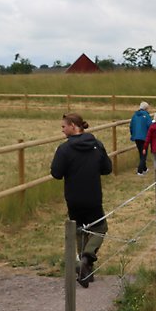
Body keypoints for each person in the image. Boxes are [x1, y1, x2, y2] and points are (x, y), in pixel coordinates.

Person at [50, 112, 113, 288]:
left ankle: (83, 265)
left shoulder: (64, 149)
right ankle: (87, 259)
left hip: (73, 197)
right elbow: (107, 168)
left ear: (73, 126)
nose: (62, 130)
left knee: (79, 230)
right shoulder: (96, 145)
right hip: (93, 195)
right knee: (99, 228)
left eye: (63, 126)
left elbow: (56, 173)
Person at [129, 101, 152, 176]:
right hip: (144, 137)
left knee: (141, 152)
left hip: (136, 137)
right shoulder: (147, 116)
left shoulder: (134, 116)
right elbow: (150, 126)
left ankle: (144, 168)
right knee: (144, 154)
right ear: (146, 108)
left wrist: (133, 134)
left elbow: (131, 126)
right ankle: (140, 170)